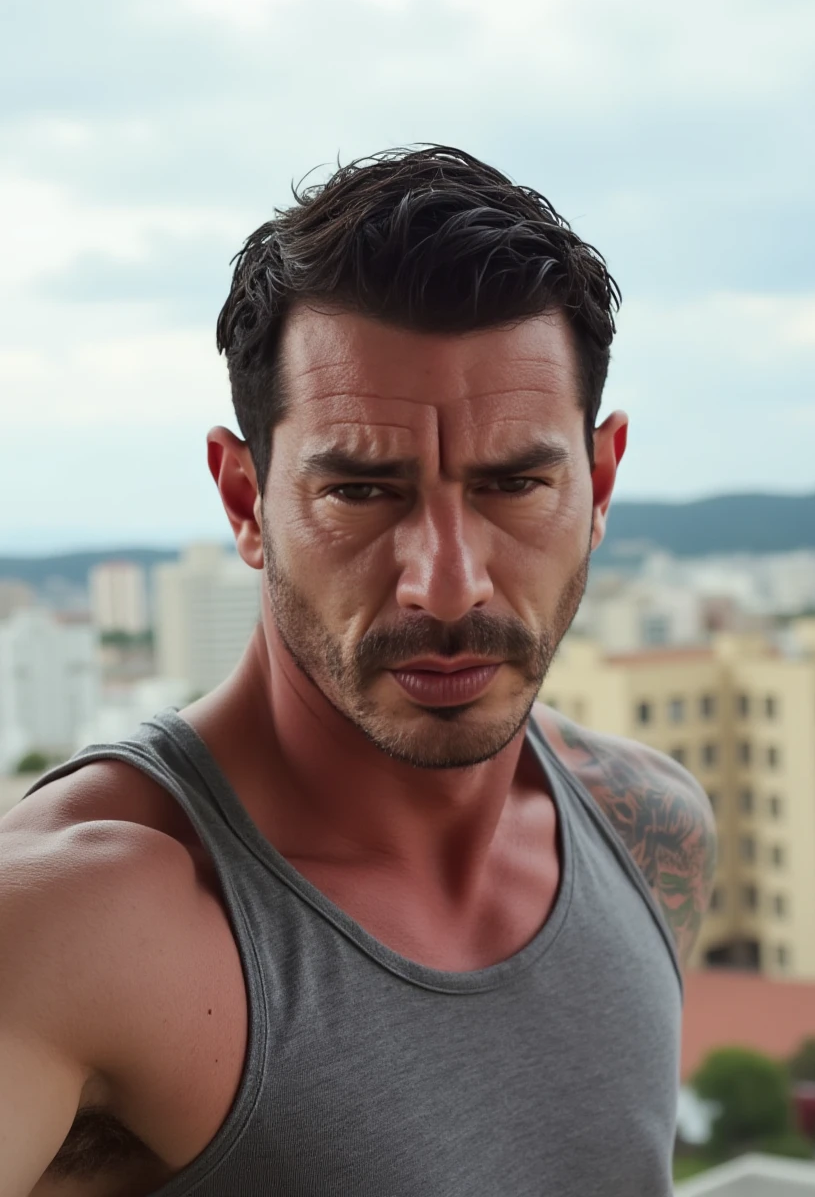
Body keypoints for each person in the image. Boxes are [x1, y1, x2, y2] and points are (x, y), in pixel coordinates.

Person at [1, 146, 716, 1197]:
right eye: (363, 491)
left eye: (515, 482)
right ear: (245, 500)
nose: (447, 582)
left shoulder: (654, 832)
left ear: (599, 481)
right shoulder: (67, 921)